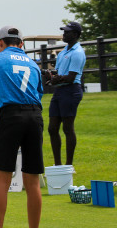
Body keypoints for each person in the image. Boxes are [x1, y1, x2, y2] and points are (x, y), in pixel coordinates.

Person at [0, 26, 43, 228]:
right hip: (35, 116)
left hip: (11, 115)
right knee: (32, 180)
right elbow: (38, 93)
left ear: (0, 43)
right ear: (21, 44)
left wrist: (2, 119)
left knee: (2, 177)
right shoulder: (34, 64)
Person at [46, 21, 86, 167]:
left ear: (75, 35)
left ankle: (68, 165)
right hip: (60, 91)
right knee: (52, 128)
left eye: (67, 32)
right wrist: (51, 77)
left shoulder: (77, 53)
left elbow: (70, 77)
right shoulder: (63, 52)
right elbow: (59, 73)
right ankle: (58, 164)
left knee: (67, 128)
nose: (64, 34)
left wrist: (57, 79)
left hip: (71, 91)